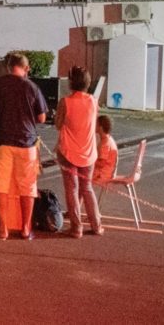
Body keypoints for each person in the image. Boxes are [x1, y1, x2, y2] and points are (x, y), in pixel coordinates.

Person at [0, 52, 48, 240]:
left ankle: (3, 229)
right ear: (26, 68)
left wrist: (1, 116)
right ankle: (26, 228)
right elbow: (42, 117)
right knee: (27, 186)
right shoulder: (32, 87)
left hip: (2, 141)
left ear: (8, 67)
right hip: (26, 143)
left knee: (0, 185)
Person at [54, 66, 102, 238]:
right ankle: (96, 225)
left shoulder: (65, 102)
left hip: (68, 152)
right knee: (87, 188)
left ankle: (76, 227)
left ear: (71, 82)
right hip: (89, 152)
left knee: (72, 190)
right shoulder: (93, 101)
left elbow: (58, 125)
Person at [93, 115, 118, 187]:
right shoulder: (108, 139)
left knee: (81, 178)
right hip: (108, 172)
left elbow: (101, 163)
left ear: (100, 127)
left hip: (103, 174)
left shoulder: (105, 144)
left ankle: (80, 198)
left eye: (96, 124)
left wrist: (90, 163)